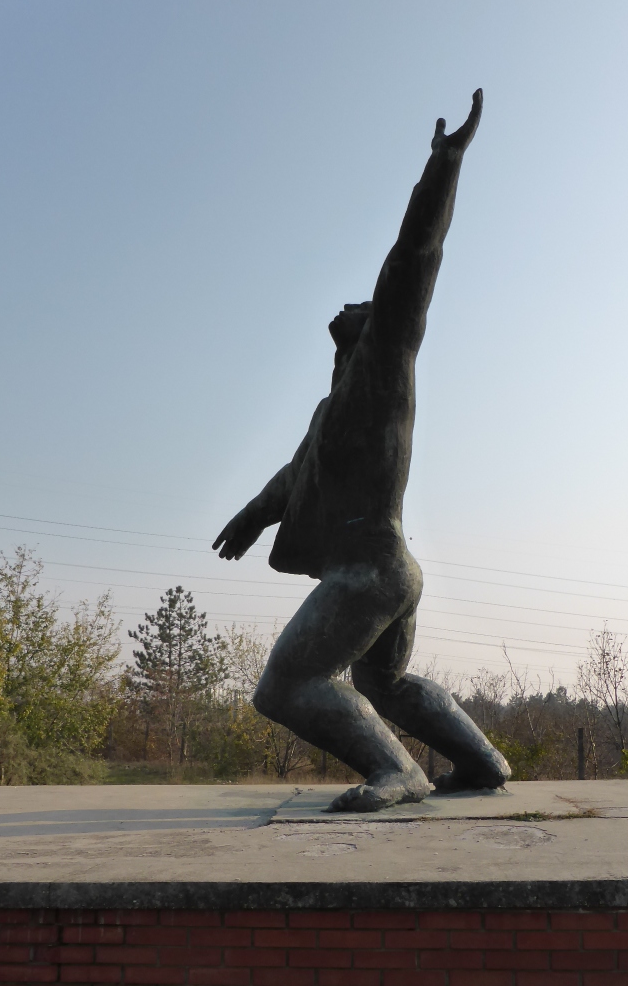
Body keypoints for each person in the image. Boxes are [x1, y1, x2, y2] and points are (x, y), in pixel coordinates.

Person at [213, 90, 510, 811]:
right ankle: (484, 763)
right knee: (384, 683)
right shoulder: (337, 409)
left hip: (369, 574)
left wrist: (443, 167)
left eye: (364, 304)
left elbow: (413, 261)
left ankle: (399, 772)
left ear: (378, 325)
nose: (348, 304)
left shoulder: (383, 374)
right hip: (389, 567)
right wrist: (253, 515)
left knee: (283, 687)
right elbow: (298, 474)